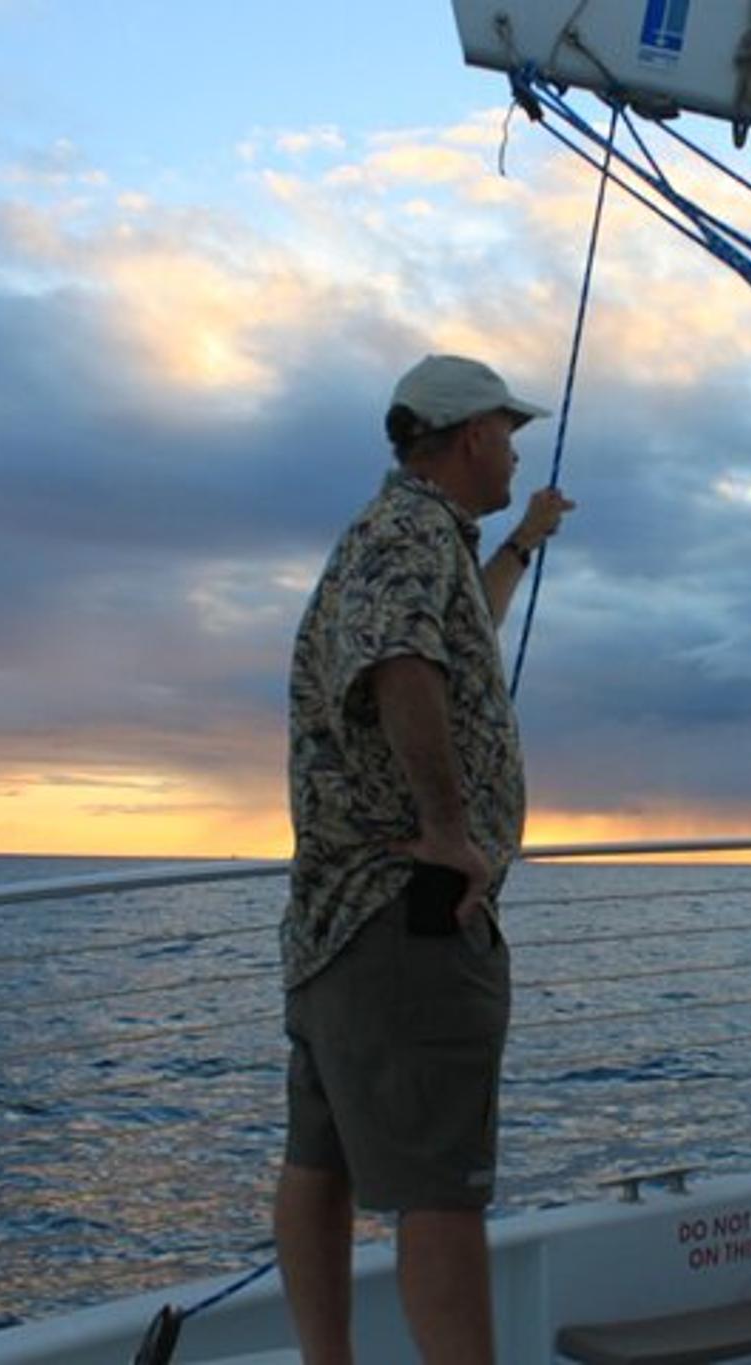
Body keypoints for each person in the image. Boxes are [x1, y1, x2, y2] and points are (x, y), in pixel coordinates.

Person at [274, 353, 575, 1365]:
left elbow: (457, 632)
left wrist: (523, 545)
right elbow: (402, 656)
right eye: (507, 433)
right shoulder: (408, 532)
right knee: (440, 1190)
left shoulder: (407, 537)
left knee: (319, 1156)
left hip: (337, 920)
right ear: (472, 435)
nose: (515, 451)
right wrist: (450, 833)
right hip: (408, 914)